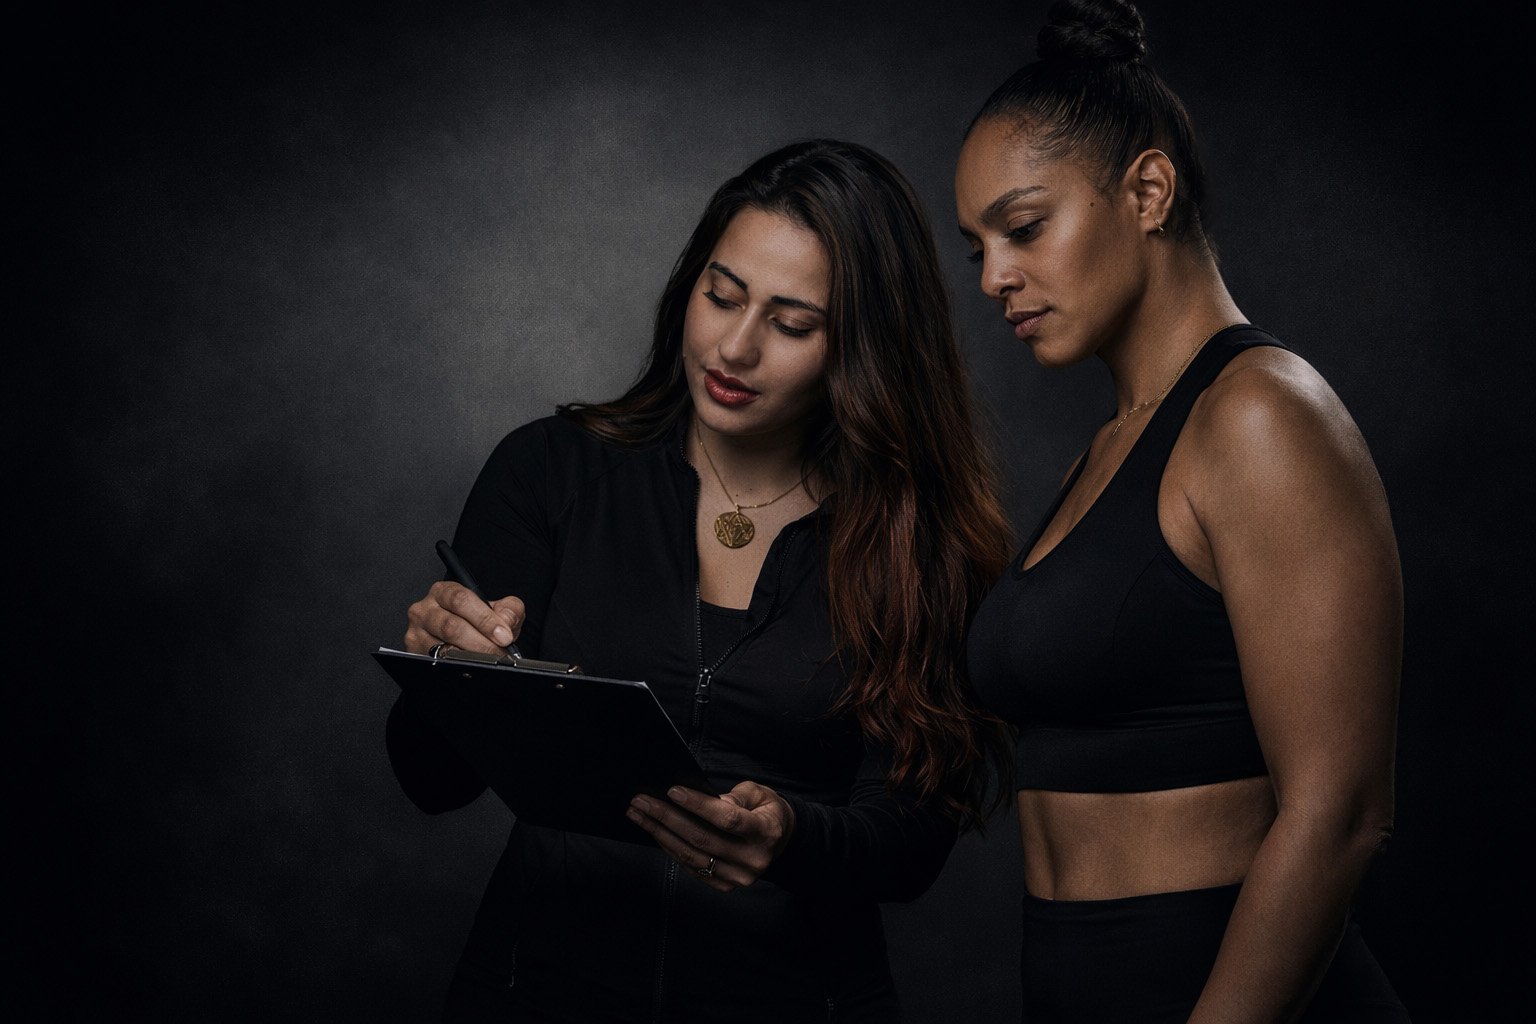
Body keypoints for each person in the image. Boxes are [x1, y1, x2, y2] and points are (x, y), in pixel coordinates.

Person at [387, 138, 1014, 1022]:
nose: (735, 346)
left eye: (792, 324)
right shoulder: (551, 471)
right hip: (537, 993)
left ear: (866, 349)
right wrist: (446, 678)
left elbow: (912, 845)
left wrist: (792, 838)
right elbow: (430, 784)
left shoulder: (923, 543)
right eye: (721, 295)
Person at [955, 2, 1410, 1021]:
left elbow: (1341, 812)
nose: (993, 277)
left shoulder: (1261, 415)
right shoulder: (1111, 446)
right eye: (975, 246)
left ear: (1148, 191)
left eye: (1022, 229)